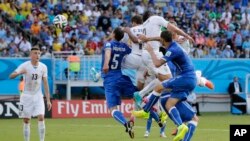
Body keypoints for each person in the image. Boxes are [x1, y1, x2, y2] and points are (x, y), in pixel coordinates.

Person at [132, 30, 197, 141]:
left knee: (158, 87)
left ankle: (146, 111)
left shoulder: (172, 50)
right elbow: (160, 37)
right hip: (189, 79)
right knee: (170, 105)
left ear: (163, 40)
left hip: (185, 78)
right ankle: (181, 127)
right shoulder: (174, 44)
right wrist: (148, 39)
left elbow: (157, 63)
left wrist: (151, 51)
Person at [133, 11, 195, 107]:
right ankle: (144, 97)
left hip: (147, 54)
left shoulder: (145, 25)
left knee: (163, 80)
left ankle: (148, 101)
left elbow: (160, 39)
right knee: (168, 80)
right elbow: (170, 30)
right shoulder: (155, 19)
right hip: (153, 54)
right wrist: (186, 35)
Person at [9, 46, 52, 141]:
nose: (38, 55)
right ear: (31, 55)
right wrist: (19, 73)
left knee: (41, 117)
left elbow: (45, 83)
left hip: (38, 96)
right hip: (26, 96)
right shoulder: (25, 65)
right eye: (35, 53)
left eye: (39, 53)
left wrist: (48, 100)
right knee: (26, 120)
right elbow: (11, 76)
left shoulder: (43, 67)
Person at [101, 27, 137, 139]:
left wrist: (106, 64)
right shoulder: (124, 46)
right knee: (138, 95)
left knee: (112, 109)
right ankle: (156, 114)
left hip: (110, 79)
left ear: (113, 34)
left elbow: (108, 53)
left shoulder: (109, 44)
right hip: (121, 77)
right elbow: (132, 48)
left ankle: (126, 124)